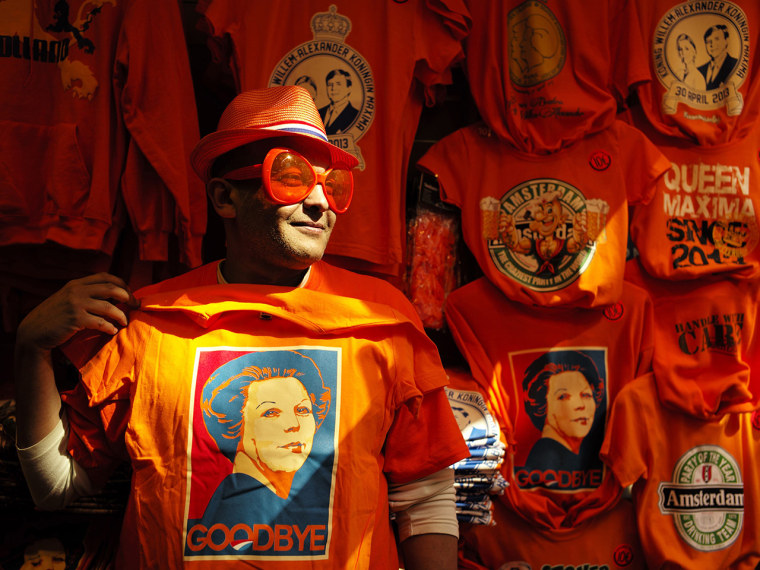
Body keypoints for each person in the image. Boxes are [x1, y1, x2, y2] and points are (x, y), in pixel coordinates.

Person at [14, 86, 468, 569]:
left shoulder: (383, 319)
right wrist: (31, 348)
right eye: (291, 177)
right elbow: (55, 488)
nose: (320, 202)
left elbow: (425, 499)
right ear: (226, 197)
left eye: (331, 184)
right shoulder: (151, 324)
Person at [521, 351, 605, 473]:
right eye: (564, 396)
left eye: (586, 395)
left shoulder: (574, 458)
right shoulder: (547, 458)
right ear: (542, 405)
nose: (580, 405)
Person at [318, 69, 359, 134]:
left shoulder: (356, 116)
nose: (333, 88)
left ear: (349, 88)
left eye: (338, 84)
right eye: (330, 84)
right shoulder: (317, 114)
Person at [697, 24, 738, 90]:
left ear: (726, 41)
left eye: (717, 39)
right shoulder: (699, 71)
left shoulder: (736, 65)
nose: (712, 44)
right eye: (708, 42)